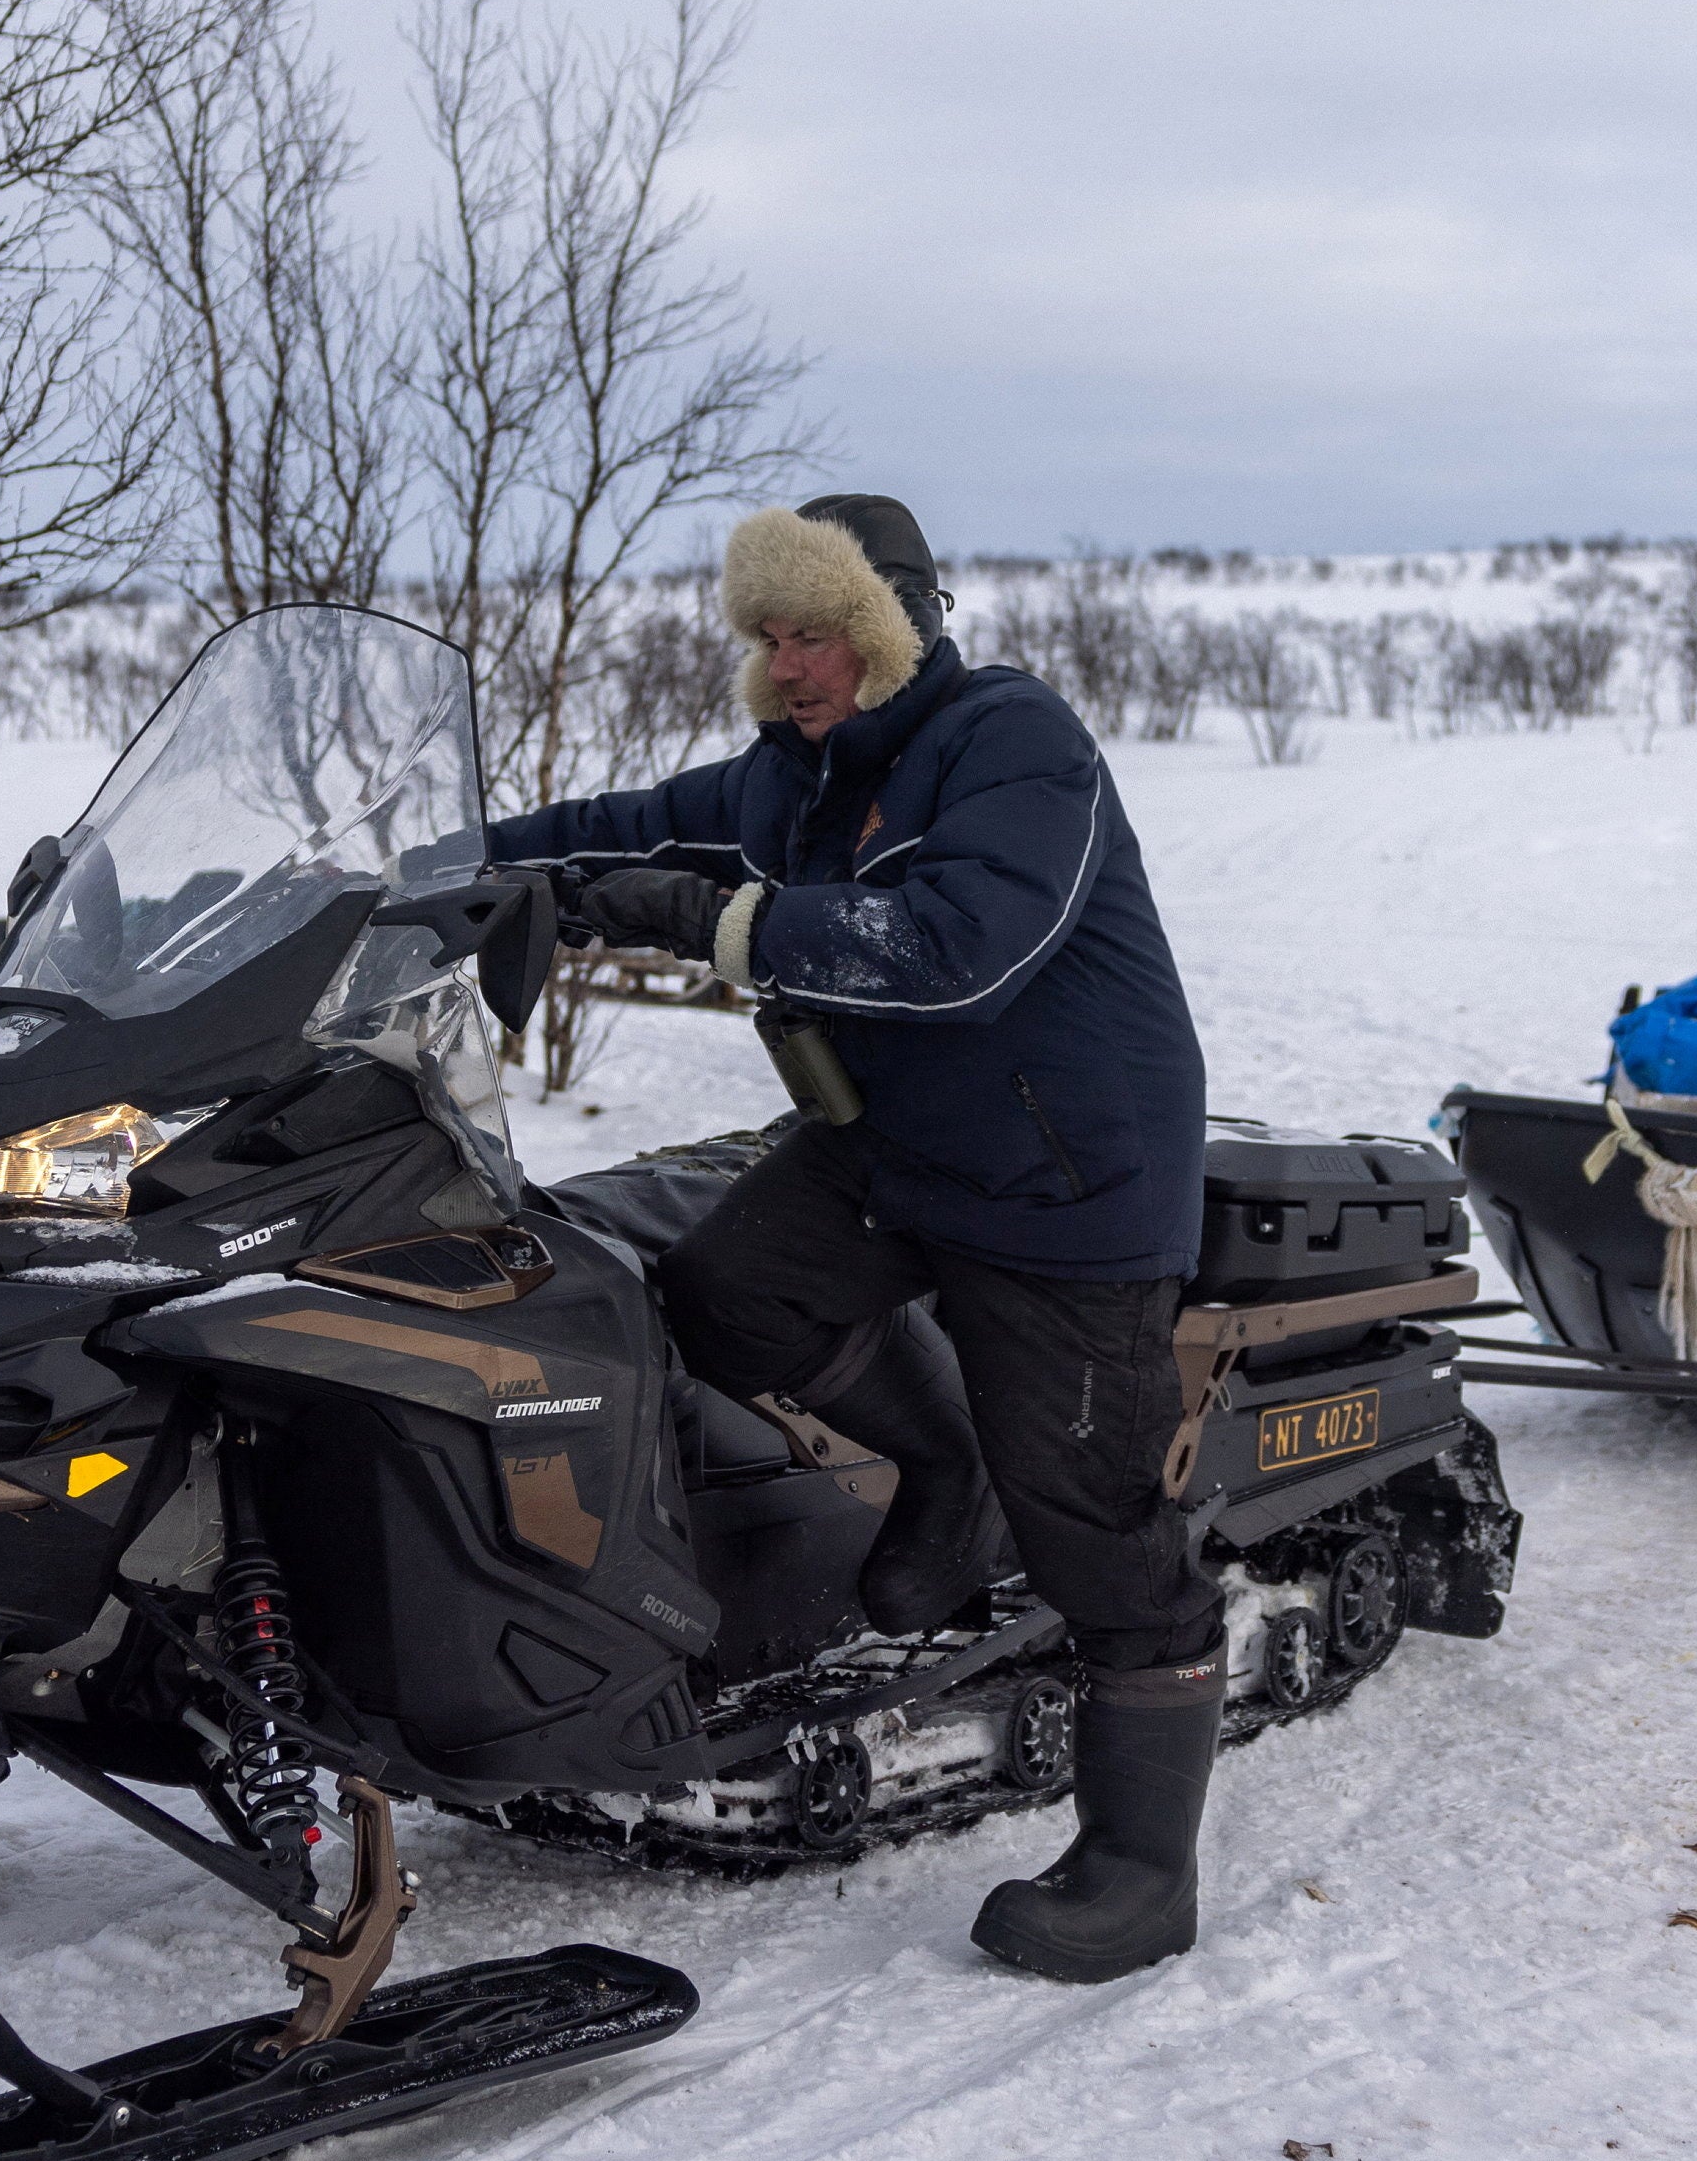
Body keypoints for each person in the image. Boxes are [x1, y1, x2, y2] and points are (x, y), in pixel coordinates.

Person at [485, 492, 1225, 1983]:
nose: (790, 664)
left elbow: (959, 947)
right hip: (899, 1149)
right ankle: (947, 1476)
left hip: (1068, 1186)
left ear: (894, 627)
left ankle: (1144, 1870)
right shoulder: (798, 777)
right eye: (766, 636)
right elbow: (620, 829)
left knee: (1101, 1534)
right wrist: (447, 869)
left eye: (816, 631)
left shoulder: (1016, 744)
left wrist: (714, 925)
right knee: (721, 1295)